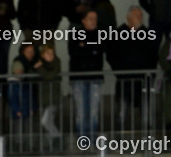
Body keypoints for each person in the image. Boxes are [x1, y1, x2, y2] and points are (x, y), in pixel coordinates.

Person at [106, 5, 162, 131]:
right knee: (122, 112)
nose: (140, 18)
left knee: (146, 114)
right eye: (137, 15)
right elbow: (111, 55)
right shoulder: (119, 33)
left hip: (144, 81)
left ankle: (148, 144)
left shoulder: (147, 34)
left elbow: (153, 55)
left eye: (141, 15)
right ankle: (119, 142)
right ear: (129, 17)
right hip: (124, 81)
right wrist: (119, 71)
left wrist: (150, 74)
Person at [68, 11, 104, 139]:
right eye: (90, 18)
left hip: (95, 78)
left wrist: (84, 46)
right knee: (81, 111)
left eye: (95, 18)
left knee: (94, 111)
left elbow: (100, 49)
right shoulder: (75, 33)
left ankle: (93, 138)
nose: (94, 21)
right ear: (83, 20)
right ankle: (83, 140)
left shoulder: (100, 34)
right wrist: (91, 49)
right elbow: (74, 51)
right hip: (79, 78)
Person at [35, 43, 62, 141]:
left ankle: (58, 137)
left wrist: (39, 68)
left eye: (52, 53)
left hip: (53, 98)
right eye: (48, 53)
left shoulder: (56, 63)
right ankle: (51, 142)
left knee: (45, 121)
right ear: (42, 55)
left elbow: (49, 76)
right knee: (47, 122)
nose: (50, 56)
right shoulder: (38, 63)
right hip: (43, 97)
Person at [9, 42, 37, 123]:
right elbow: (12, 98)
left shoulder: (34, 61)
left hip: (28, 105)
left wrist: (33, 108)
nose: (31, 54)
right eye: (28, 52)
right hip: (19, 110)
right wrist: (17, 110)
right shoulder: (14, 84)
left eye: (32, 51)